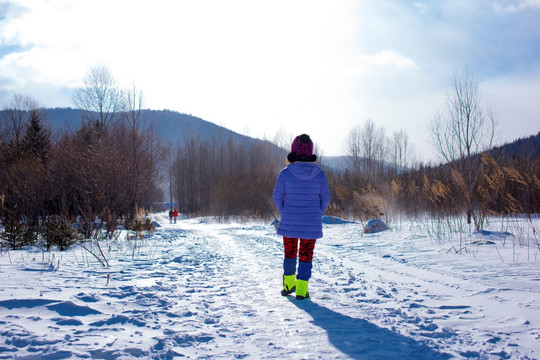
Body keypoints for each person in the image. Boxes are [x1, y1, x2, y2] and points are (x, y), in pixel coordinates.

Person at [273, 134, 331, 300]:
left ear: (293, 151)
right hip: (311, 222)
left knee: (289, 253)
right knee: (306, 254)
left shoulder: (285, 174)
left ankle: (288, 285)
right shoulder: (320, 174)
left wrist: (285, 212)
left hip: (290, 221)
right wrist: (316, 213)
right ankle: (301, 290)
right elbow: (325, 198)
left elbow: (277, 196)